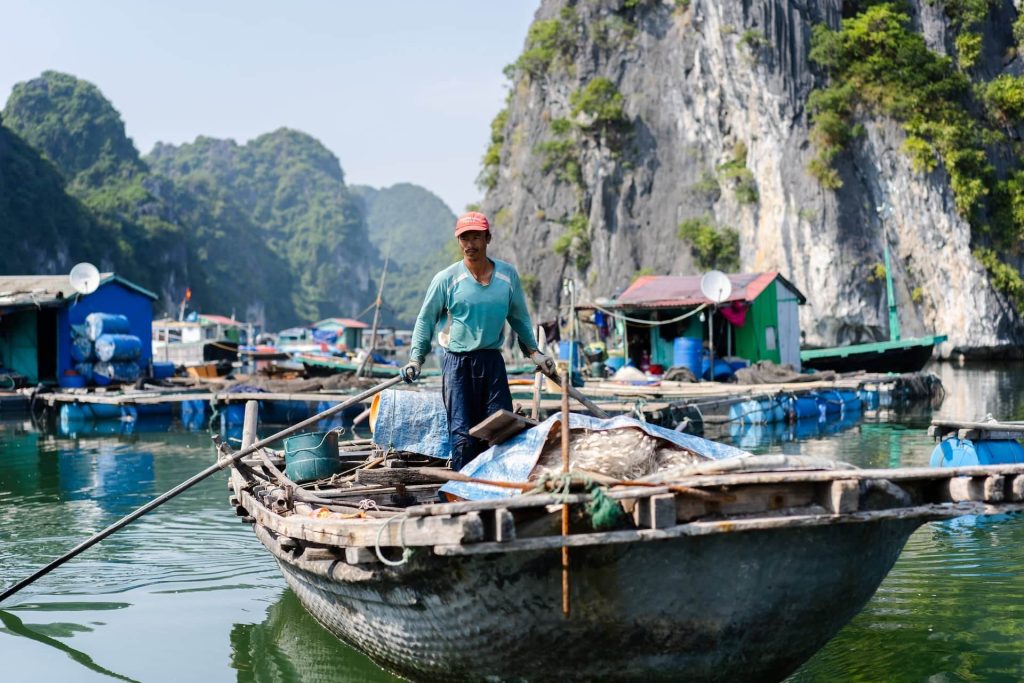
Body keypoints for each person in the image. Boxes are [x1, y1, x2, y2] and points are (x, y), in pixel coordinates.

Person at [402, 211, 556, 470]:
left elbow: (519, 318)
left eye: (476, 237)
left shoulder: (507, 276)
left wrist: (535, 353)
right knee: (462, 435)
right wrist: (416, 359)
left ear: (488, 238)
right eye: (464, 238)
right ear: (458, 241)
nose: (470, 244)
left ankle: (497, 487)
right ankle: (463, 497)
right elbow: (425, 320)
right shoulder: (446, 280)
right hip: (457, 364)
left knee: (501, 427)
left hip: (492, 363)